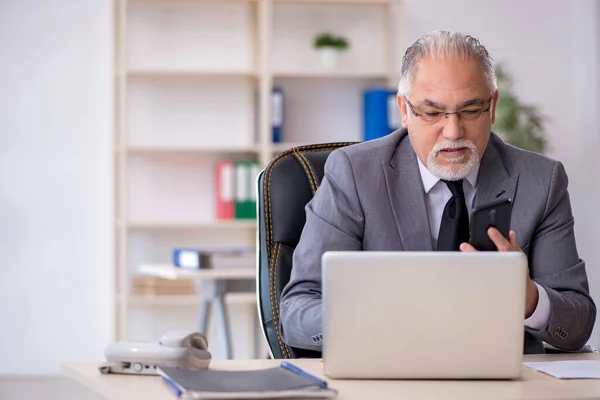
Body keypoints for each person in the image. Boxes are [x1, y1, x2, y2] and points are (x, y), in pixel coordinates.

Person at [279, 29, 596, 354]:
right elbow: (296, 312)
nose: (453, 131)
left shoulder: (541, 181)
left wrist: (528, 298)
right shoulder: (354, 174)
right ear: (404, 110)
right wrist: (380, 319)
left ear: (493, 106)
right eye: (431, 113)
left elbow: (578, 323)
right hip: (389, 374)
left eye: (471, 110)